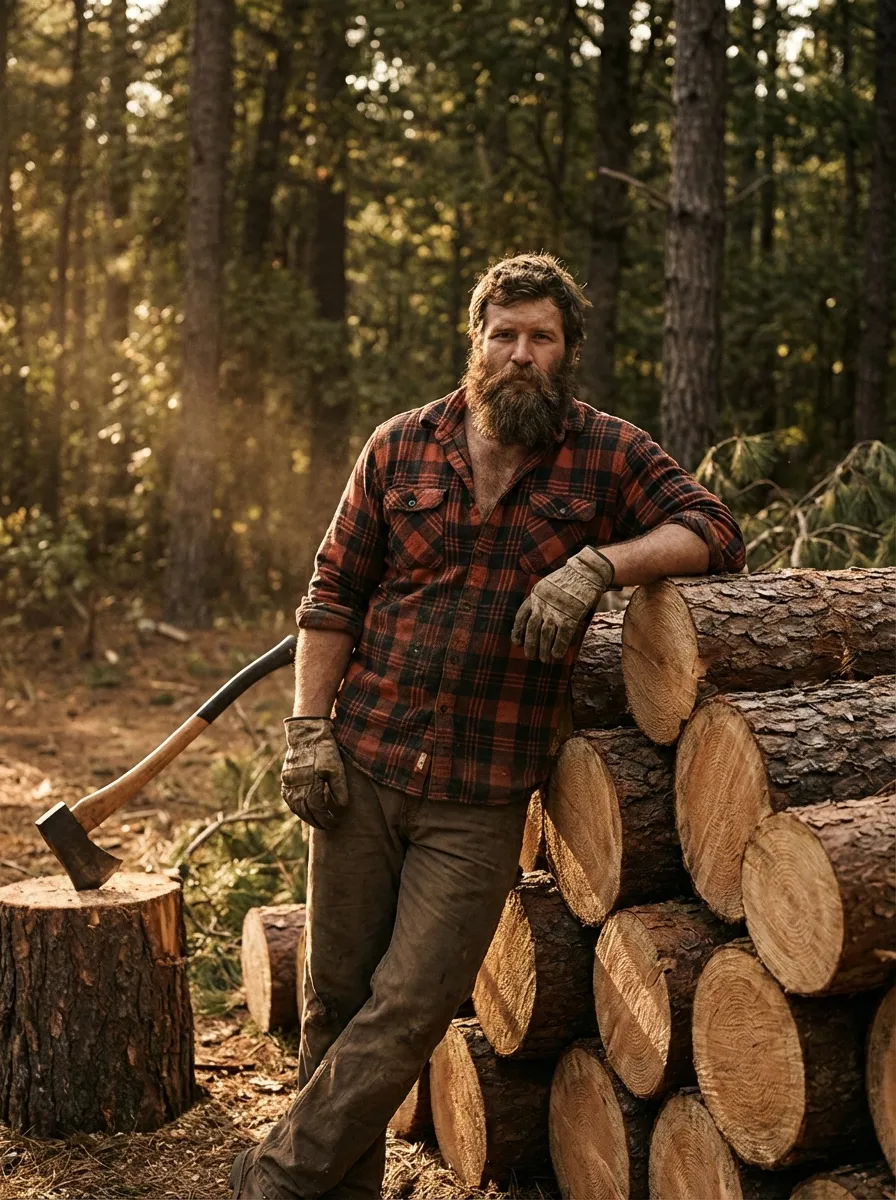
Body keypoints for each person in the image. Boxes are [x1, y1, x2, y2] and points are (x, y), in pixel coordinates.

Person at [230, 252, 745, 1199]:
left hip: (482, 792)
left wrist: (598, 566)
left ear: (567, 350)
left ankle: (271, 1181)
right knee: (336, 1001)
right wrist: (308, 732)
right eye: (502, 335)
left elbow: (714, 529)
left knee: (413, 1006)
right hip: (364, 762)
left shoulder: (606, 452)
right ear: (475, 342)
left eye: (540, 338)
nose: (519, 355)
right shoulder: (399, 447)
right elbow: (331, 597)